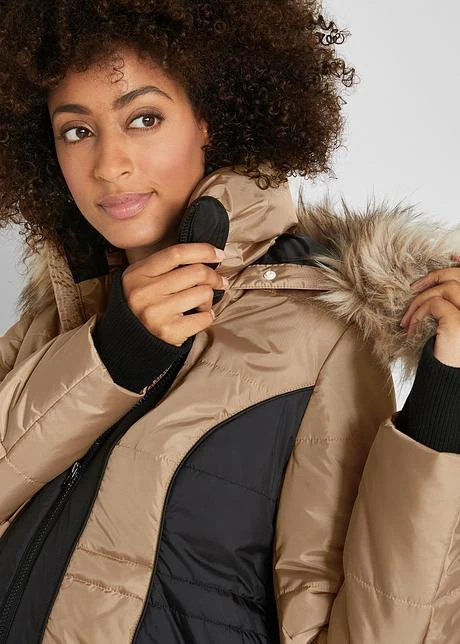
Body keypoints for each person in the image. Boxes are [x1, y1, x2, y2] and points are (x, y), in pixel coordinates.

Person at [0, 1, 458, 643]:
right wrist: (109, 357)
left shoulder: (316, 334)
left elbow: (375, 629)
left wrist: (444, 405)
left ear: (209, 118)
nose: (108, 164)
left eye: (144, 118)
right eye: (76, 131)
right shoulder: (61, 318)